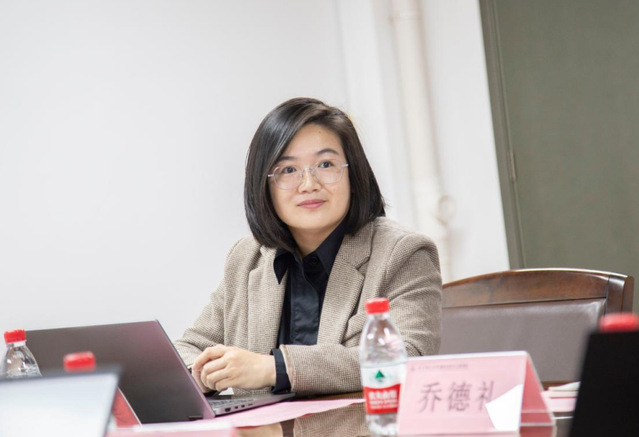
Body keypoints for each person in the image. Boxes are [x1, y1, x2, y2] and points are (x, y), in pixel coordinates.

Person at [174, 97, 442, 396]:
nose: (308, 184)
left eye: (325, 165)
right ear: (264, 186)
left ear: (354, 175)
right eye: (288, 170)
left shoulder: (403, 253)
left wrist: (274, 368)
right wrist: (200, 374)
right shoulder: (247, 258)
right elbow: (189, 348)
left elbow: (407, 356)